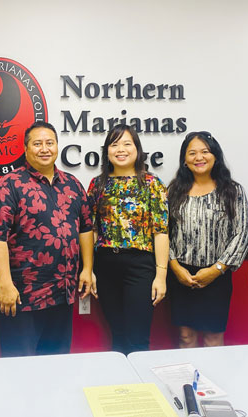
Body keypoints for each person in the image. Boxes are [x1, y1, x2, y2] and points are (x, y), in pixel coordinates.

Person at [0, 121, 93, 357]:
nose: (44, 149)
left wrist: (87, 269)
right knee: (19, 366)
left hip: (63, 292)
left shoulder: (73, 184)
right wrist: (5, 284)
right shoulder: (9, 185)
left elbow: (85, 227)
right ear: (26, 149)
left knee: (57, 362)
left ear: (57, 146)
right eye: (37, 143)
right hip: (23, 294)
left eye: (50, 143)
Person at [87, 124, 169, 355]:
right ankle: (121, 388)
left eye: (127, 144)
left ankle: (142, 391)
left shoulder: (152, 184)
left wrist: (161, 276)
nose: (120, 150)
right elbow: (91, 230)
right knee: (117, 336)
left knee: (138, 340)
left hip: (140, 266)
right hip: (105, 265)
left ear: (137, 149)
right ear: (107, 151)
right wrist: (89, 269)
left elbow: (161, 231)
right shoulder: (98, 184)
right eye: (114, 144)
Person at [167, 131, 248, 348]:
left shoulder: (232, 191)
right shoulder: (173, 191)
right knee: (186, 337)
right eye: (192, 153)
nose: (199, 157)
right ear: (184, 160)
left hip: (217, 276)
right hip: (181, 275)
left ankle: (212, 381)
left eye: (205, 152)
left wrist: (216, 269)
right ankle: (186, 382)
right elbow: (163, 232)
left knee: (213, 338)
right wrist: (175, 268)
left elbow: (241, 234)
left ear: (215, 156)